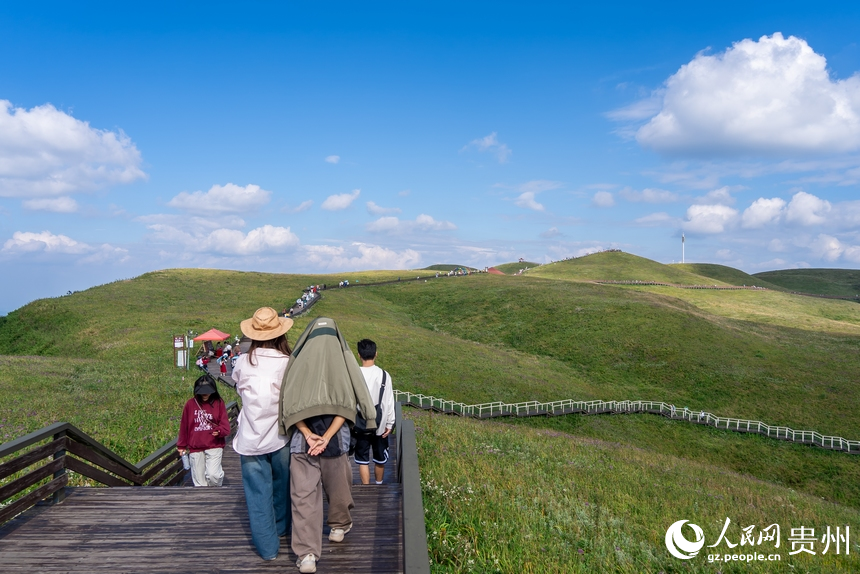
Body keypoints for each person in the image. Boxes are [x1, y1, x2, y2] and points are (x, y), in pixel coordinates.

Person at [278, 317, 377, 574]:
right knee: (339, 484)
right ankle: (338, 526)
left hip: (302, 440)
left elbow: (288, 399)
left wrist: (307, 433)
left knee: (303, 496)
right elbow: (351, 399)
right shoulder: (343, 358)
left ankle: (307, 553)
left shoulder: (298, 360)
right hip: (337, 436)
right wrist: (332, 433)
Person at [231, 307, 294, 562]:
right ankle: (280, 529)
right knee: (282, 487)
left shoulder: (242, 361)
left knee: (258, 495)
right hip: (280, 437)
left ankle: (268, 549)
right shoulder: (287, 362)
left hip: (250, 439)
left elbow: (239, 390)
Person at [177, 374, 231, 487]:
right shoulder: (190, 404)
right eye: (201, 392)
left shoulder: (218, 403)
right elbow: (184, 426)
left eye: (207, 391)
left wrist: (220, 431)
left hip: (214, 444)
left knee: (213, 475)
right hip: (195, 446)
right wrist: (181, 446)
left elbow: (226, 427)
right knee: (199, 483)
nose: (205, 394)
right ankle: (203, 502)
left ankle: (216, 495)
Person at [354, 339, 395, 485]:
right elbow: (389, 402)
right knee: (380, 458)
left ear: (359, 355)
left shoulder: (354, 374)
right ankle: (378, 485)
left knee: (362, 460)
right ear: (376, 354)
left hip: (360, 423)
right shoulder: (384, 375)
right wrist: (390, 423)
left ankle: (366, 488)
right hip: (380, 424)